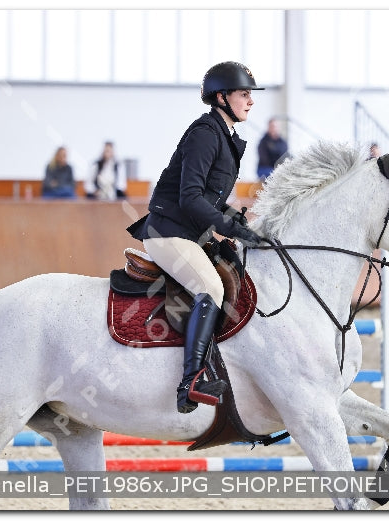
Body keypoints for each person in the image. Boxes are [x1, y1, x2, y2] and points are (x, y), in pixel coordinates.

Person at [126, 61, 264, 414]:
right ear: (222, 97)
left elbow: (211, 198)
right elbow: (190, 197)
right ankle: (191, 382)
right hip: (168, 231)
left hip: (192, 233)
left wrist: (243, 222)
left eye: (251, 95)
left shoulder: (224, 135)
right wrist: (231, 227)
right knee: (212, 288)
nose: (250, 101)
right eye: (244, 94)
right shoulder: (205, 132)